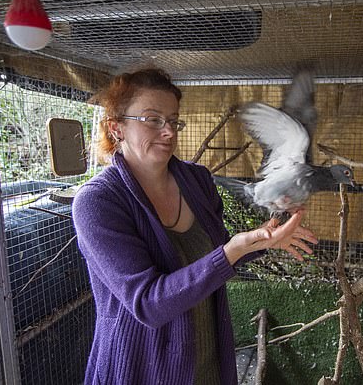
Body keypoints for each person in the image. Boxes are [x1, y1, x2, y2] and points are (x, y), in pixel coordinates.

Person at [72, 67, 317, 385]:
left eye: (173, 120)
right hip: (143, 368)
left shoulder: (197, 181)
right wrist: (234, 250)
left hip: (206, 362)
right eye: (152, 119)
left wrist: (262, 242)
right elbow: (148, 304)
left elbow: (214, 261)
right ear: (116, 127)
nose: (169, 131)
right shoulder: (98, 202)